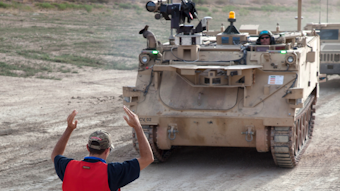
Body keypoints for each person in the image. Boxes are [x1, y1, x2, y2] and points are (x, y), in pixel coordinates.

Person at [51, 106, 154, 191]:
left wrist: (69, 129)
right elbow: (148, 158)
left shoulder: (68, 167)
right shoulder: (113, 172)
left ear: (88, 147)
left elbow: (55, 155)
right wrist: (138, 127)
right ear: (107, 150)